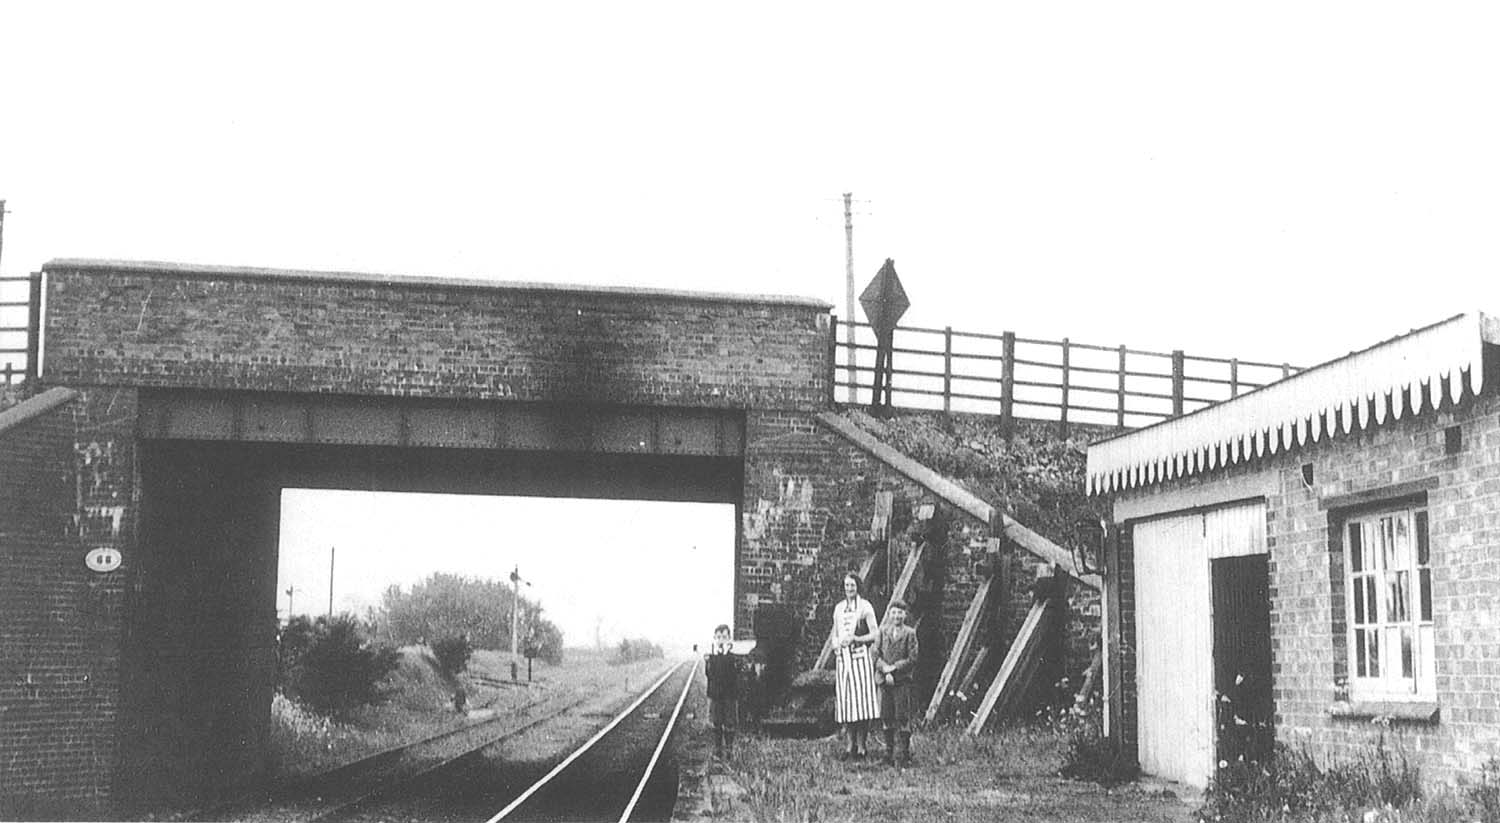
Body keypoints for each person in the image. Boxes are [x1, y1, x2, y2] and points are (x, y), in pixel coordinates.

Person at [829, 572, 880, 759]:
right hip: (843, 661)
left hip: (860, 658)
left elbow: (875, 634)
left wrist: (857, 638)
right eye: (846, 585)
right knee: (847, 703)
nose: (849, 589)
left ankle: (862, 745)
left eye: (852, 585)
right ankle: (849, 745)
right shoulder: (839, 608)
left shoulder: (865, 607)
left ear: (858, 586)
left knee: (862, 703)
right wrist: (836, 646)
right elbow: (835, 633)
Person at [875, 599, 919, 766]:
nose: (896, 616)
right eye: (893, 612)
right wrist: (885, 669)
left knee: (902, 717)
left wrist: (894, 669)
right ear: (889, 614)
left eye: (900, 612)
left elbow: (913, 658)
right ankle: (888, 754)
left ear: (905, 615)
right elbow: (875, 654)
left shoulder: (910, 633)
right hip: (884, 680)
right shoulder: (882, 631)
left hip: (901, 680)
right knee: (886, 715)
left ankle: (904, 755)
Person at [704, 623, 740, 759]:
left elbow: (736, 673)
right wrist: (708, 662)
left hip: (730, 694)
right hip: (716, 694)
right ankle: (718, 750)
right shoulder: (712, 656)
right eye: (718, 637)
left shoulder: (733, 656)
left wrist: (734, 661)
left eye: (724, 637)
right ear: (715, 638)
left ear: (729, 638)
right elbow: (709, 674)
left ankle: (729, 750)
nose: (721, 640)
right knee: (717, 722)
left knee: (729, 723)